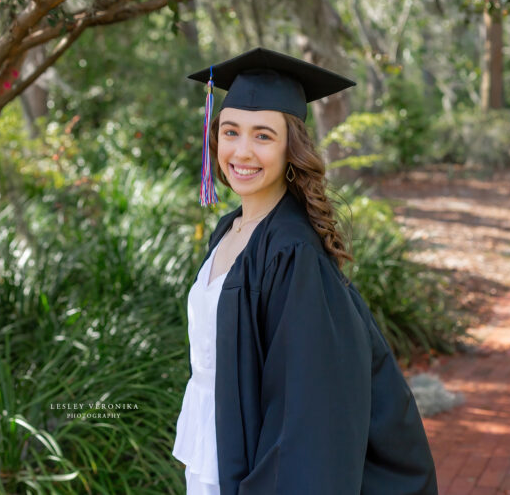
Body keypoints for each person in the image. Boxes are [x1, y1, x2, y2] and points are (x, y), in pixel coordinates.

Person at [172, 47, 439, 495]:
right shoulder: (230, 229)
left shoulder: (292, 251)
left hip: (250, 468)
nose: (241, 151)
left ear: (290, 148)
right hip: (209, 452)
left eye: (263, 136)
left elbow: (307, 405)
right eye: (231, 131)